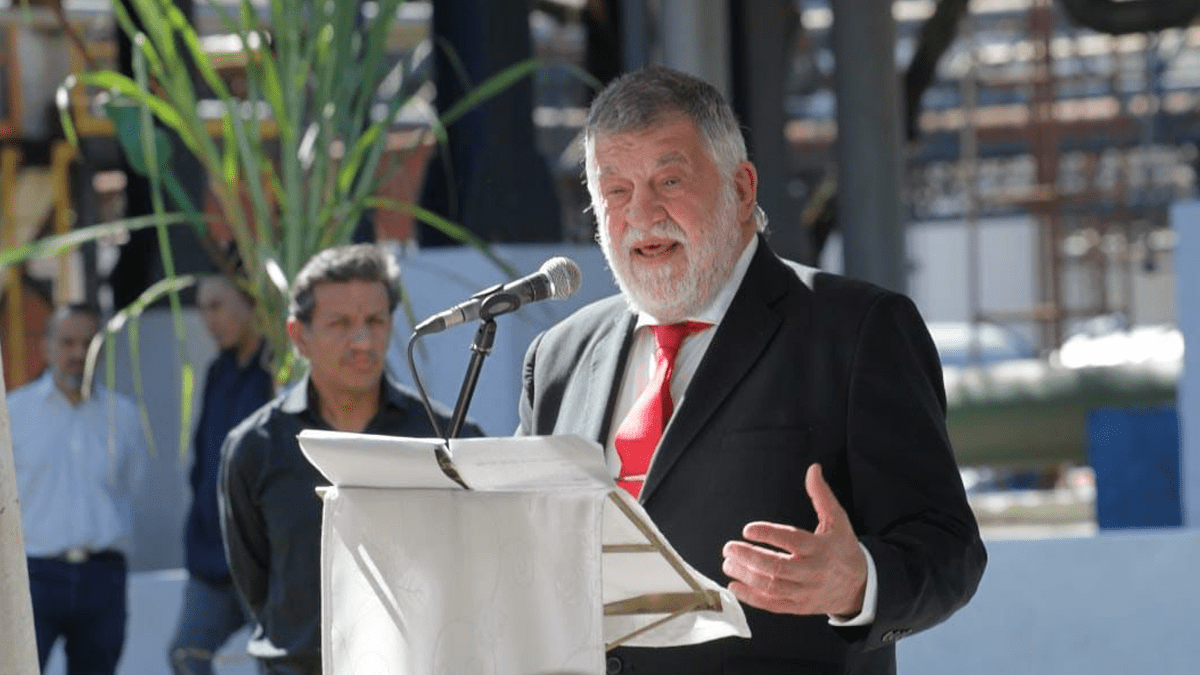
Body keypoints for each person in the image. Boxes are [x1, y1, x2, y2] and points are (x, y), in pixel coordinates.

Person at [516, 66, 987, 674]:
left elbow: (948, 549)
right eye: (616, 191)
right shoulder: (559, 356)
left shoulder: (856, 330)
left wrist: (858, 583)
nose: (643, 213)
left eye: (669, 180)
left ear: (741, 190)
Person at [219, 243, 483, 675]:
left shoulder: (449, 439)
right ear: (299, 336)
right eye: (340, 323)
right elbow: (254, 580)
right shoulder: (253, 447)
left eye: (375, 321)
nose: (362, 341)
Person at [9, 303, 147, 675]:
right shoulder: (13, 414)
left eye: (88, 343)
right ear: (47, 347)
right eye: (67, 342)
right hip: (34, 576)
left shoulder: (125, 415)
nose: (78, 353)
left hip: (102, 576)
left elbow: (134, 486)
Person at [168, 272, 274, 675]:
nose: (209, 321)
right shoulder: (218, 371)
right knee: (185, 654)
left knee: (277, 665)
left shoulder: (277, 371)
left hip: (265, 558)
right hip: (212, 556)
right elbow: (203, 461)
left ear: (249, 303)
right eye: (202, 310)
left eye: (217, 306)